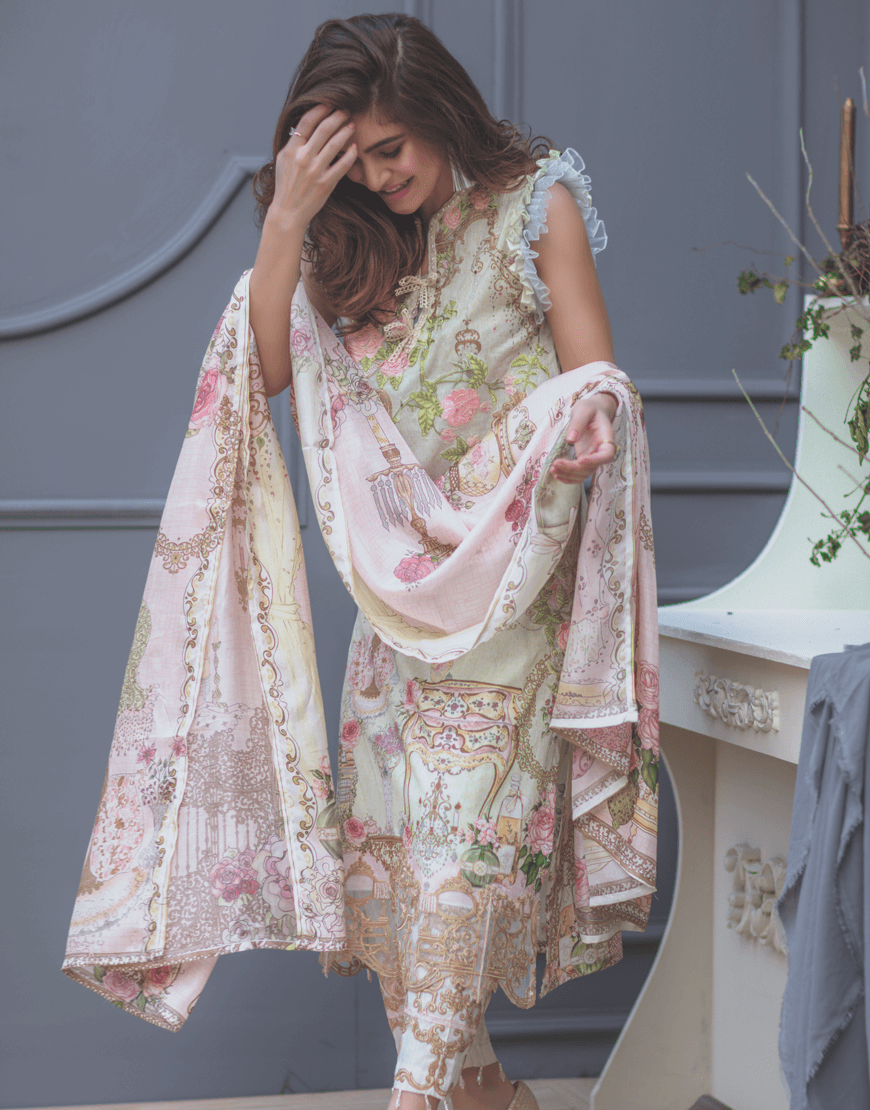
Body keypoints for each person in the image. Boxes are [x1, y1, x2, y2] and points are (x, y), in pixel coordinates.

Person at [62, 13, 658, 1110]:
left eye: (393, 147)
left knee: (461, 863)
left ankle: (416, 1098)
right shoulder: (346, 242)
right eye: (358, 161)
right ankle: (488, 1097)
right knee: (395, 869)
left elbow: (598, 380)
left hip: (517, 603)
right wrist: (292, 214)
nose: (383, 176)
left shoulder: (536, 207)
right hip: (400, 614)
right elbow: (262, 374)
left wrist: (592, 423)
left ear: (440, 111)